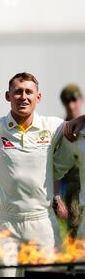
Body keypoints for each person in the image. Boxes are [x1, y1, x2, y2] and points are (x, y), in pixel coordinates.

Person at [0, 72, 76, 277]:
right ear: (8, 96)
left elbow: (75, 129)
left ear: (38, 97)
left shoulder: (52, 126)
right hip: (5, 223)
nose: (23, 97)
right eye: (18, 92)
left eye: (29, 92)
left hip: (41, 222)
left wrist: (81, 118)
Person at [58, 84, 83, 239]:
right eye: (66, 101)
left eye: (74, 99)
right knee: (74, 230)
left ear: (81, 100)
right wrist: (57, 199)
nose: (71, 105)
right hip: (71, 188)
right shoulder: (59, 128)